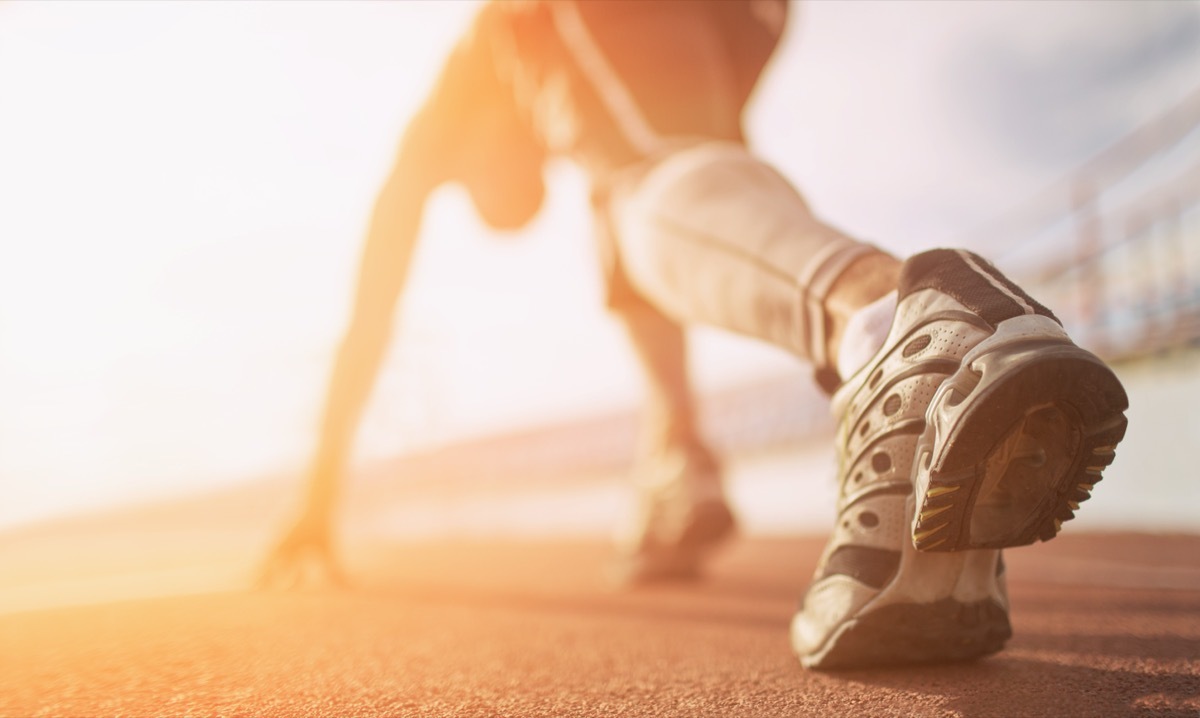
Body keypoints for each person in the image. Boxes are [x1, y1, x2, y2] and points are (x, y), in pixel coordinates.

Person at [260, 0, 1128, 669]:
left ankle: (909, 327)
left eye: (500, 174)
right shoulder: (558, 101)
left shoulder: (471, 85)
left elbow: (365, 325)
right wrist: (675, 435)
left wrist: (314, 497)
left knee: (644, 189)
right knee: (650, 215)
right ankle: (700, 457)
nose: (526, 171)